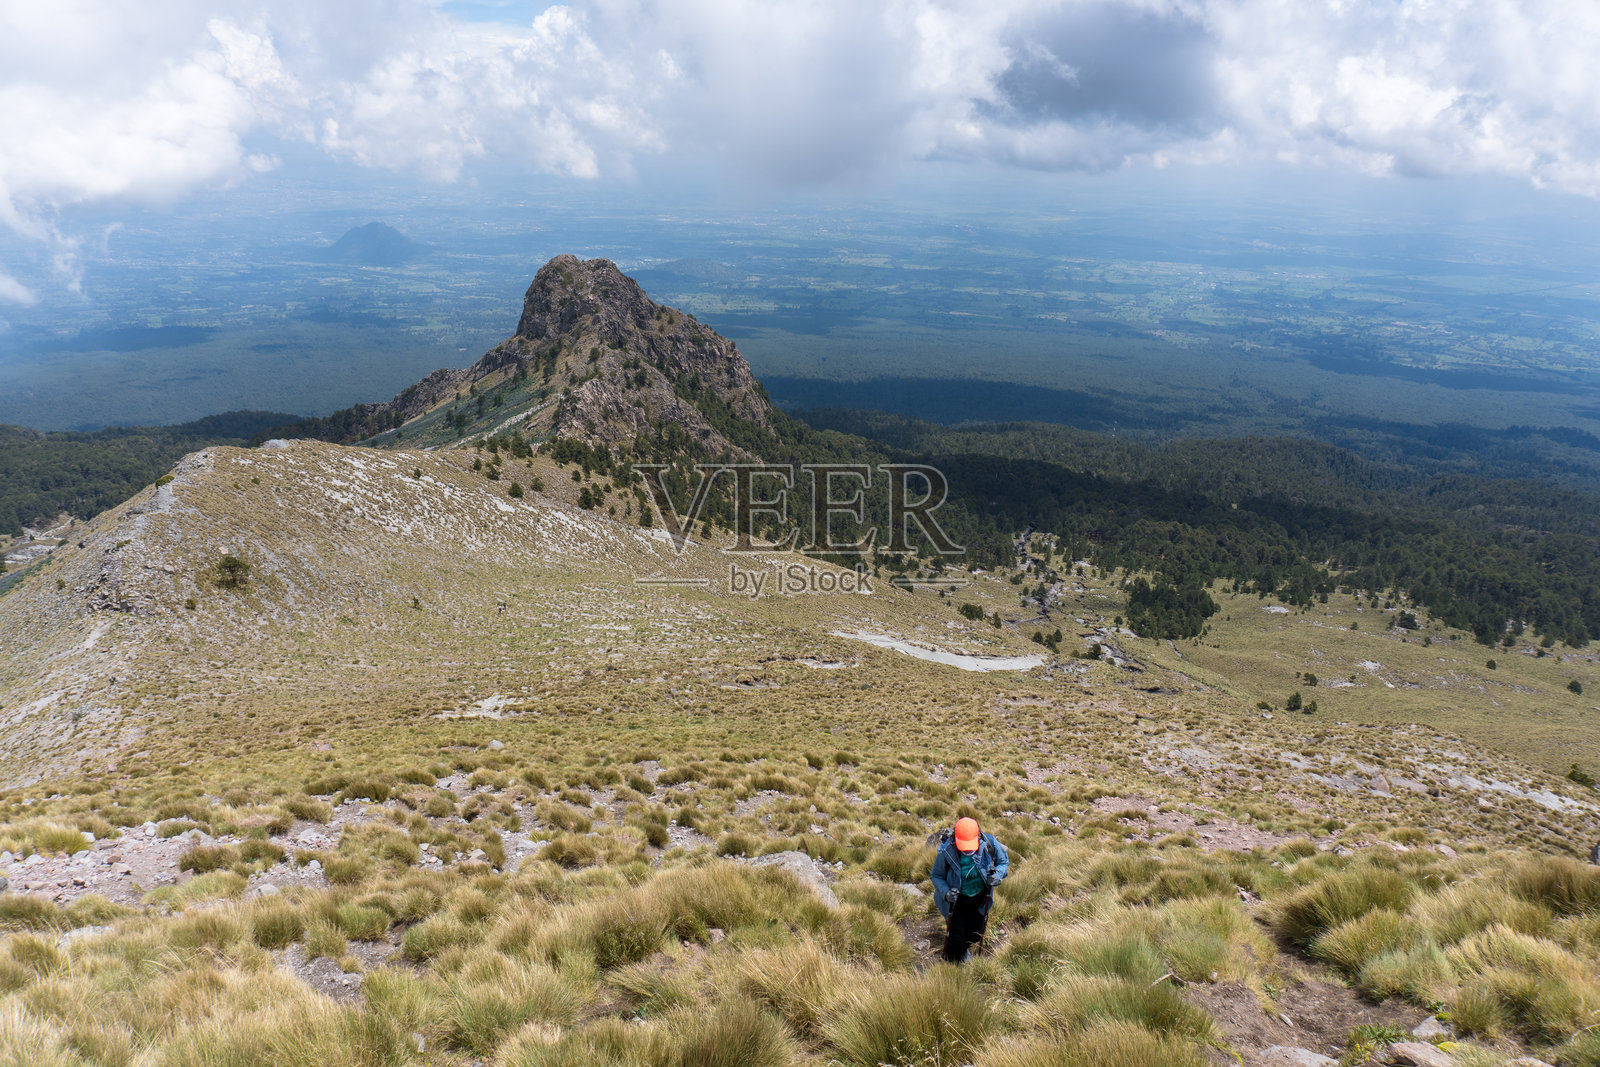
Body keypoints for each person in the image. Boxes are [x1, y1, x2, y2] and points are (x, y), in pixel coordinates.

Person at [930, 816, 1009, 962]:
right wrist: (946, 893)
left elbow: (1003, 862)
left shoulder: (989, 844)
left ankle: (964, 950)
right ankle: (952, 967)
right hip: (957, 901)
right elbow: (936, 875)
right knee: (956, 936)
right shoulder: (946, 851)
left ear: (978, 836)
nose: (967, 851)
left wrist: (997, 875)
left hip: (979, 899)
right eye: (963, 846)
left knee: (976, 932)